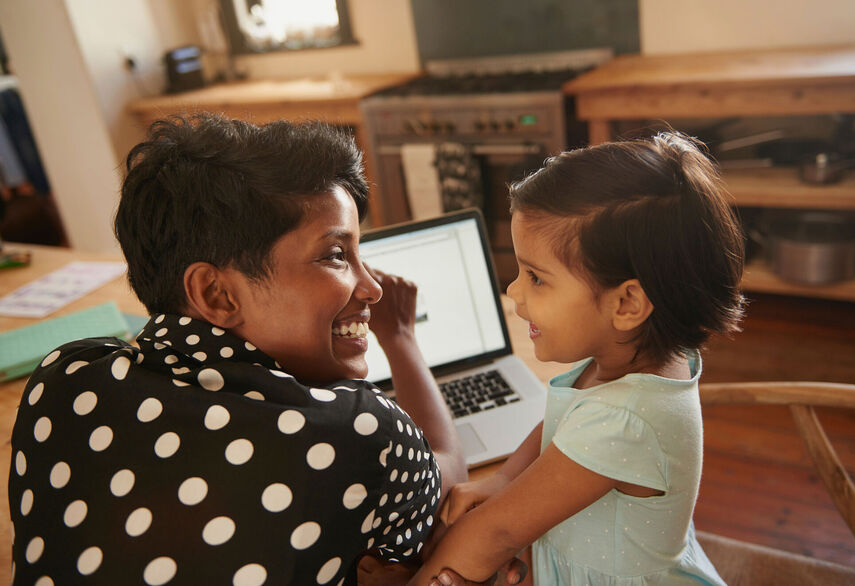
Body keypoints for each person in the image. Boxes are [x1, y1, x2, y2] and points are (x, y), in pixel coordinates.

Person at [8, 114, 472, 586]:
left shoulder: (62, 378)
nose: (371, 287)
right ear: (215, 294)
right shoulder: (359, 430)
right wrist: (401, 339)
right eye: (336, 254)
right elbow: (450, 483)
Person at [409, 132, 746, 586]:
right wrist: (504, 478)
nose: (514, 292)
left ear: (627, 304)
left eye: (536, 278)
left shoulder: (624, 421)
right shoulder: (628, 357)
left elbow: (497, 532)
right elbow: (562, 423)